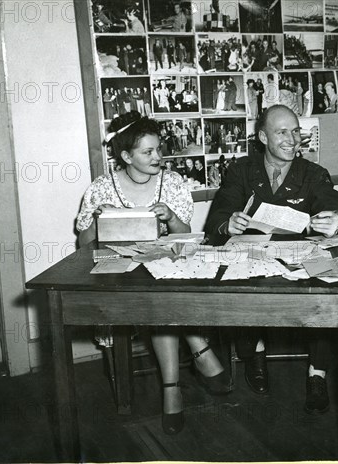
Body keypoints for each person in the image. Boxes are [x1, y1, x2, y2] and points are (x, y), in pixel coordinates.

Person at [75, 112, 232, 436]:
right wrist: (96, 219)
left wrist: (170, 216)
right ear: (126, 156)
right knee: (159, 296)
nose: (158, 157)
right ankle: (199, 350)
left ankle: (171, 388)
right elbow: (83, 244)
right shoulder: (102, 188)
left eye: (158, 149)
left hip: (161, 267)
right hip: (119, 272)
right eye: (148, 152)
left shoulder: (171, 182)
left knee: (162, 294)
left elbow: (184, 233)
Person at [204, 105, 338, 414]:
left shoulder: (314, 173)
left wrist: (332, 222)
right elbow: (218, 214)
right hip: (254, 257)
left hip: (300, 259)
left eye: (296, 131)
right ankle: (255, 352)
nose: (292, 140)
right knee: (239, 283)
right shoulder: (242, 169)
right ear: (262, 137)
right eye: (282, 132)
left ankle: (317, 373)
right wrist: (226, 223)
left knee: (327, 288)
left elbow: (336, 209)